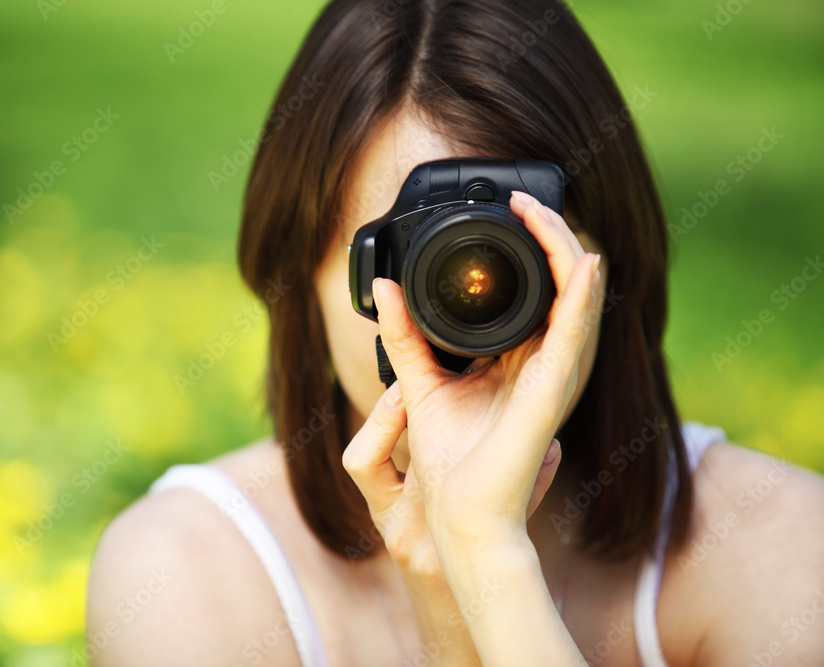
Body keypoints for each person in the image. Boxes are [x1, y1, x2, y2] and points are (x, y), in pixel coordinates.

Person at [86, 0, 824, 664]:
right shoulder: (186, 575)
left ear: (605, 267)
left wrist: (483, 555)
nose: (473, 301)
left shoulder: (783, 548)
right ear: (297, 271)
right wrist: (454, 577)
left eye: (516, 255)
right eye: (415, 254)